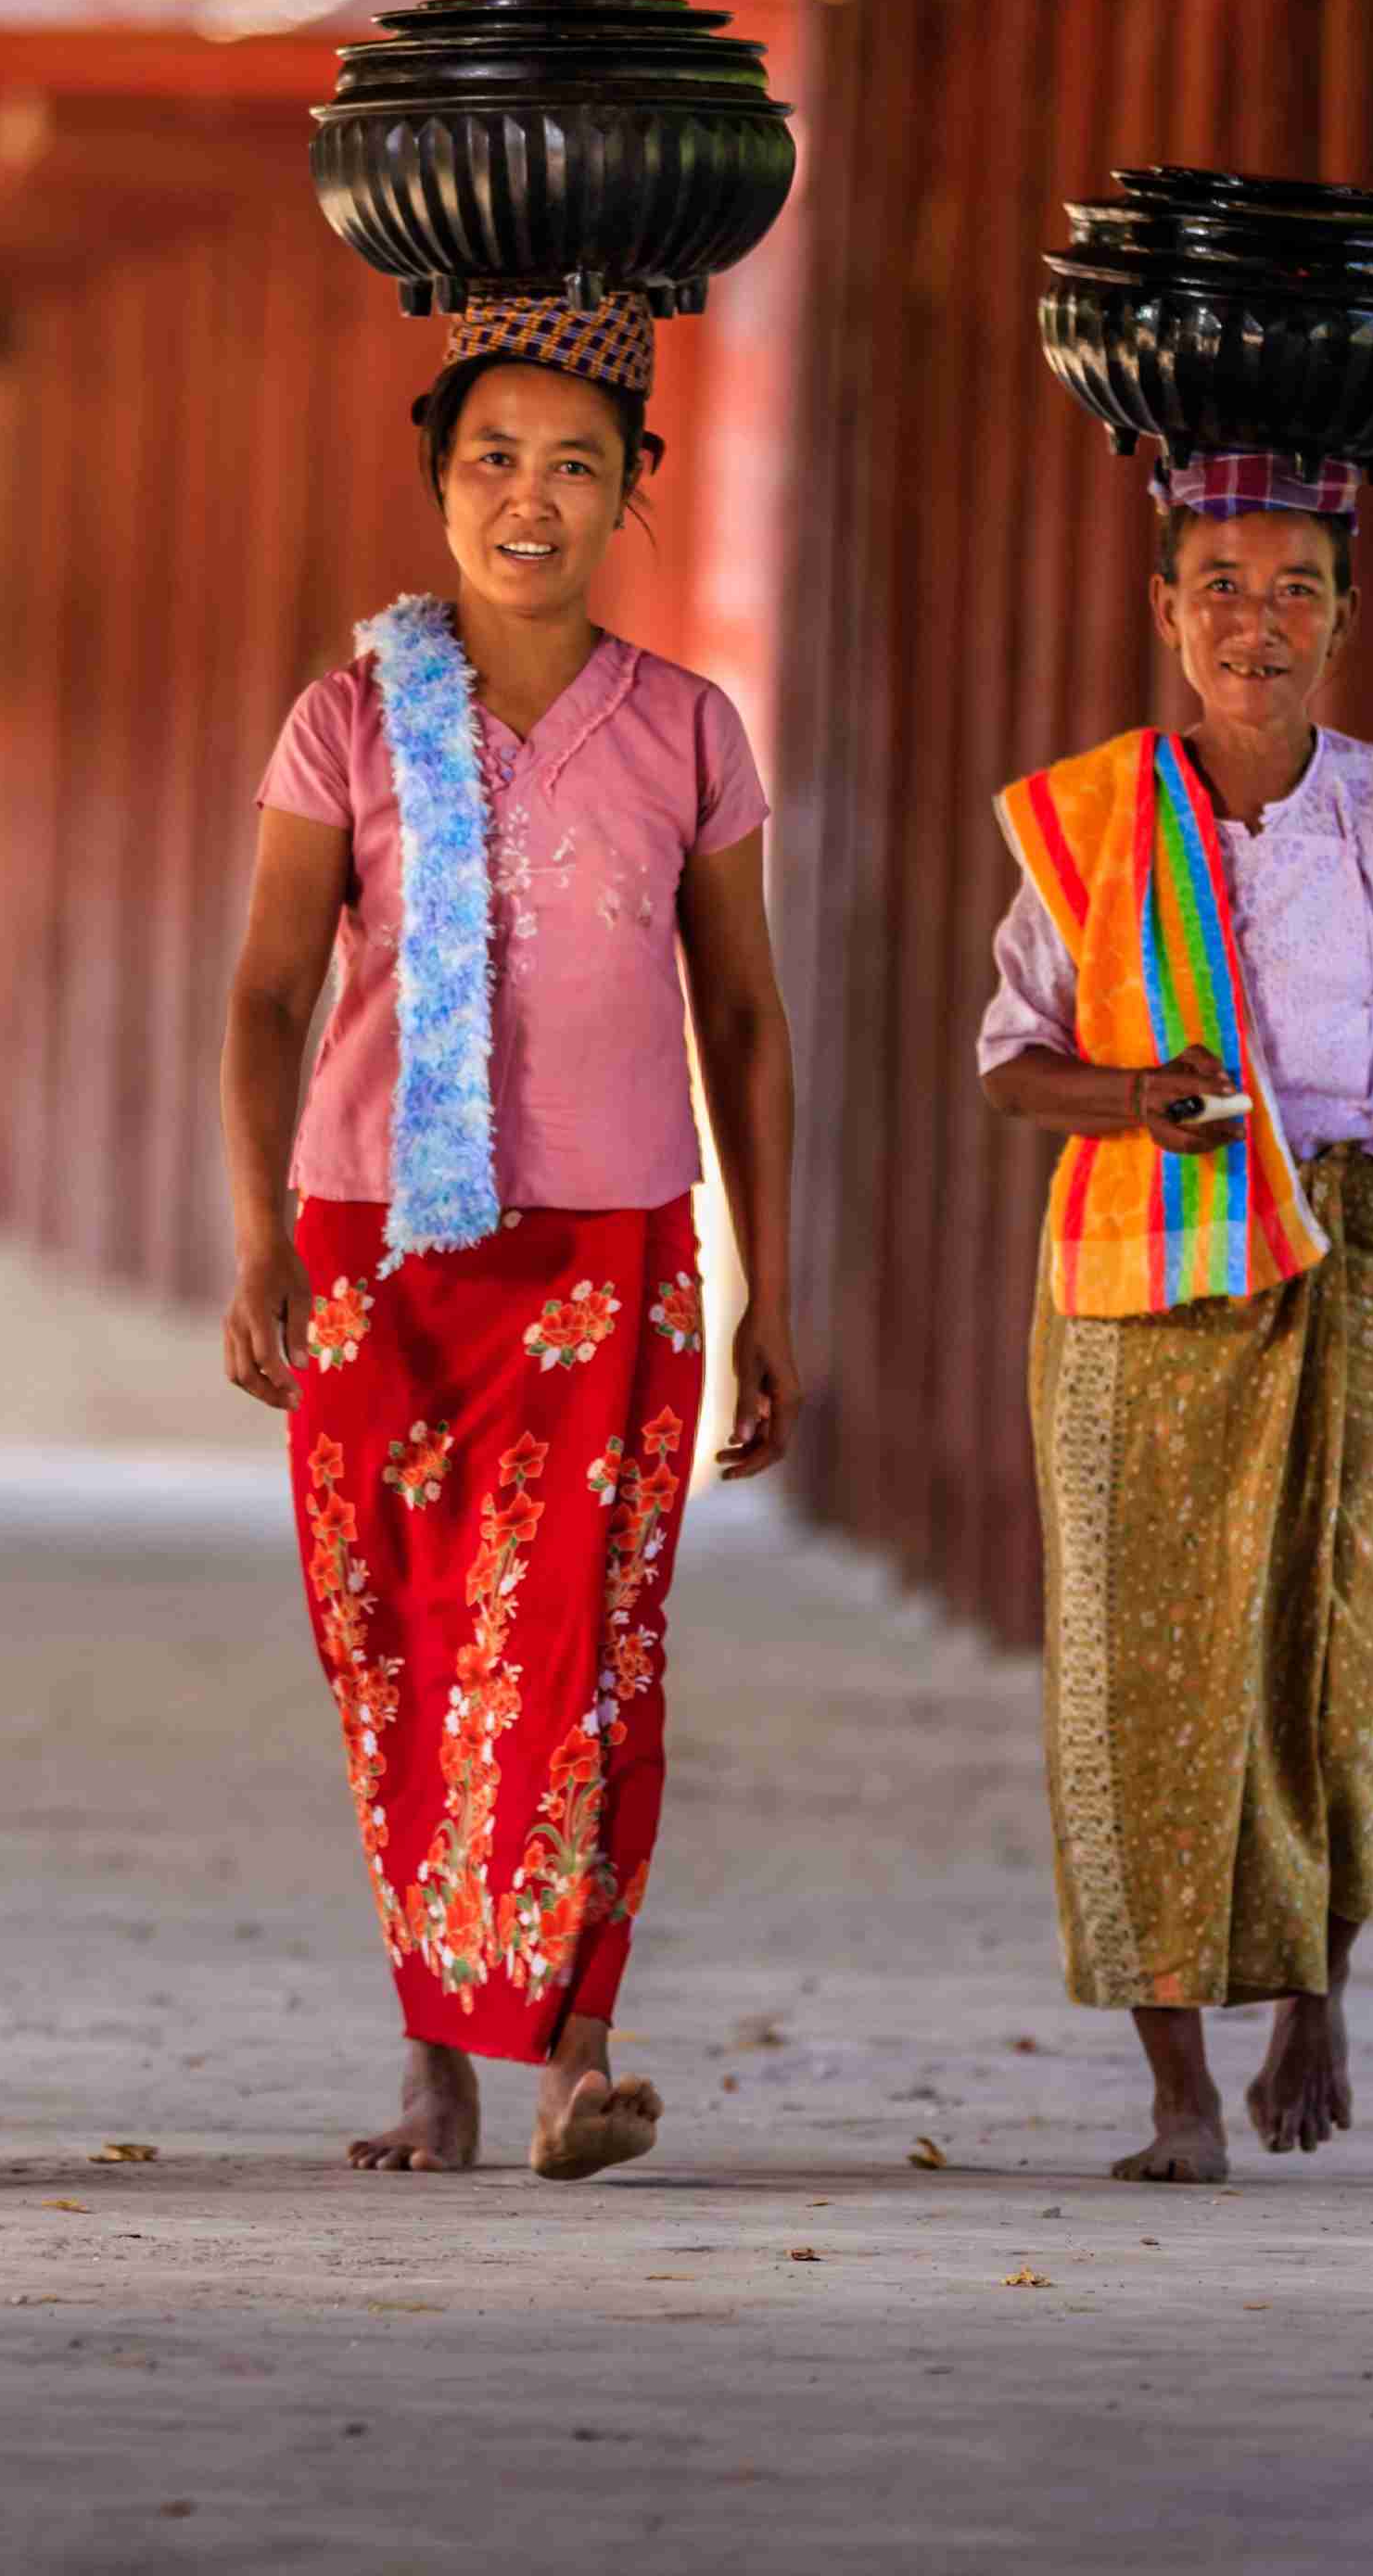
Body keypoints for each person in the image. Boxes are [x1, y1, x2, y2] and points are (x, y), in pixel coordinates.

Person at [218, 290, 800, 2184]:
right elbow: (261, 995)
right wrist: (255, 1247)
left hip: (611, 1245)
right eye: (491, 459)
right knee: (397, 1648)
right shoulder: (344, 720)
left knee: (579, 1646)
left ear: (635, 488)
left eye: (573, 464)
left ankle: (577, 2052)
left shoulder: (688, 728)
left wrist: (766, 1279)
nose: (528, 498)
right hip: (376, 1249)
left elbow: (747, 1018)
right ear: (434, 481)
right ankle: (435, 2054)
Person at [975, 450, 1373, 2184]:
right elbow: (1012, 1068)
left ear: (1345, 624)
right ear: (1164, 613)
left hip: (1341, 1248)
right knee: (1137, 1668)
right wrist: (1136, 1097)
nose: (1255, 624)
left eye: (1295, 591)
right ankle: (1176, 2094)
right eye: (1220, 587)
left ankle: (1317, 1983)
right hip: (1143, 1261)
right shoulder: (1094, 819)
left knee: (1342, 1642)